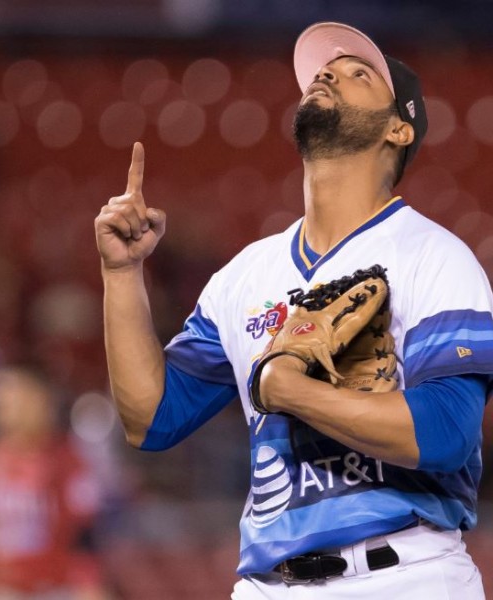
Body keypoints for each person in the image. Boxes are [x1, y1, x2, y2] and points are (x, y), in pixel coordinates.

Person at [94, 21, 492, 599]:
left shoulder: (434, 256)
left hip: (405, 574)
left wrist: (289, 389)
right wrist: (121, 274)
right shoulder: (245, 275)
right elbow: (150, 420)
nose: (329, 74)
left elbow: (445, 433)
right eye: (323, 72)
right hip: (268, 583)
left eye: (360, 75)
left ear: (399, 129)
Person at [0, 365, 107, 600]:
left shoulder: (67, 461)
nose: (3, 408)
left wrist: (89, 585)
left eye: (13, 399)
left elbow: (83, 533)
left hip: (54, 590)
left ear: (40, 401)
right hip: (4, 588)